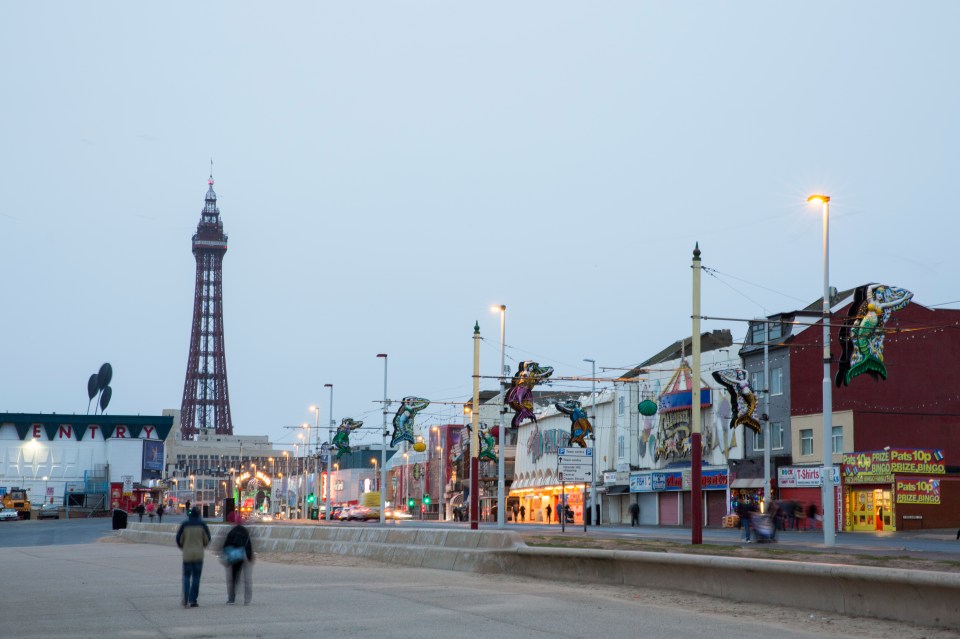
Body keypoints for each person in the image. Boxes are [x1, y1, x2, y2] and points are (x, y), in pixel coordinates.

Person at [176, 506, 211, 608]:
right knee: (196, 577)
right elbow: (207, 539)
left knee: (186, 576)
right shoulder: (202, 525)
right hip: (199, 555)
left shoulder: (185, 525)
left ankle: (186, 596)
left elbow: (179, 539)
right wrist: (202, 546)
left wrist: (184, 547)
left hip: (187, 554)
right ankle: (193, 600)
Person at [221, 519, 254, 605]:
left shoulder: (232, 531)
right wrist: (250, 556)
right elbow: (248, 545)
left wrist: (225, 556)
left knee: (233, 578)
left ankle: (231, 598)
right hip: (243, 556)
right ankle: (247, 599)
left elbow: (226, 545)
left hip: (234, 557)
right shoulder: (245, 531)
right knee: (247, 579)